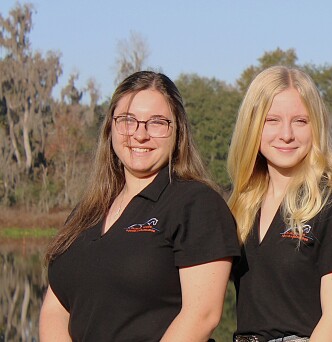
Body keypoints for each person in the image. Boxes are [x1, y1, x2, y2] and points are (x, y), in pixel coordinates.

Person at [39, 71, 239, 341]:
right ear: (111, 127)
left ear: (177, 131)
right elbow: (55, 309)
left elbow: (202, 315)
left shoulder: (196, 204)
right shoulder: (87, 212)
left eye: (157, 123)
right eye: (127, 120)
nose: (140, 134)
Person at [227, 66, 332, 342]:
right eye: (272, 120)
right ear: (252, 125)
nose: (286, 134)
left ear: (316, 126)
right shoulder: (241, 204)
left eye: (301, 121)